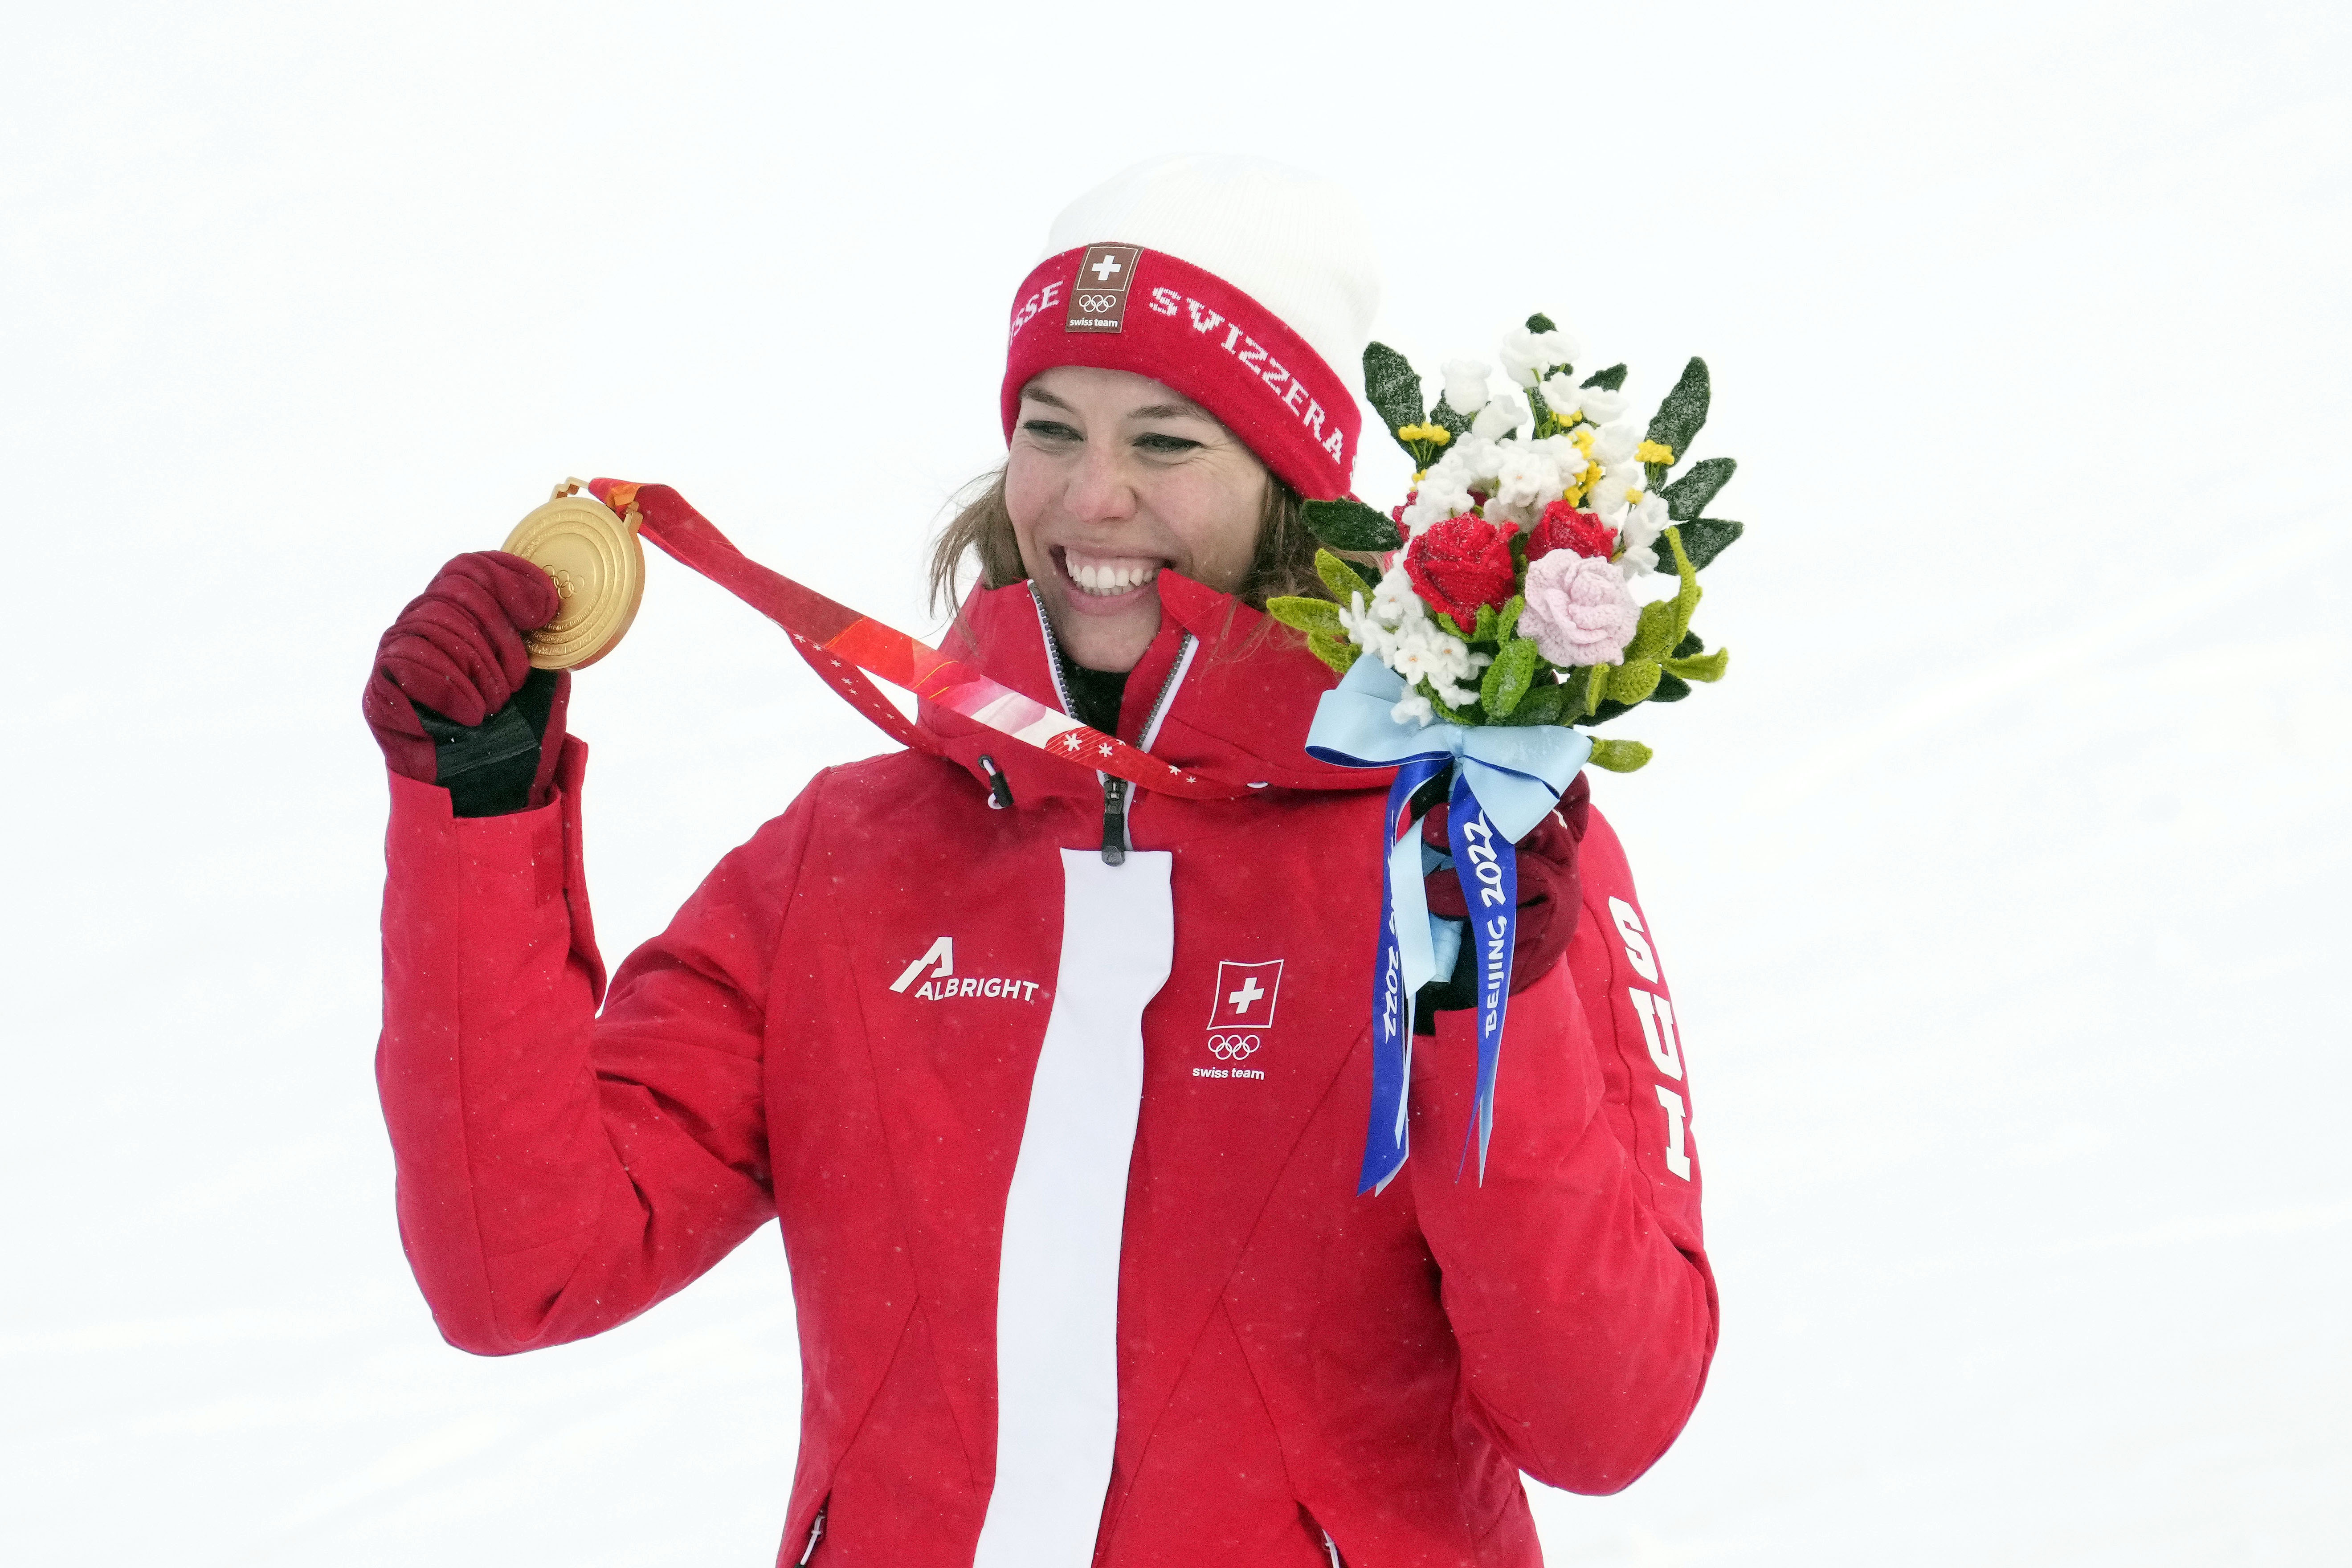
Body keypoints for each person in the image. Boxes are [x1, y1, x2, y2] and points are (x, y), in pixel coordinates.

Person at [363, 155, 1717, 1568]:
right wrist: (476, 807)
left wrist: (1493, 998)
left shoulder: (1462, 850)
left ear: (1298, 493)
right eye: (1051, 429)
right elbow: (520, 1269)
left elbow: (1604, 1419)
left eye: (1170, 443)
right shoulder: (850, 859)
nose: (1093, 497)